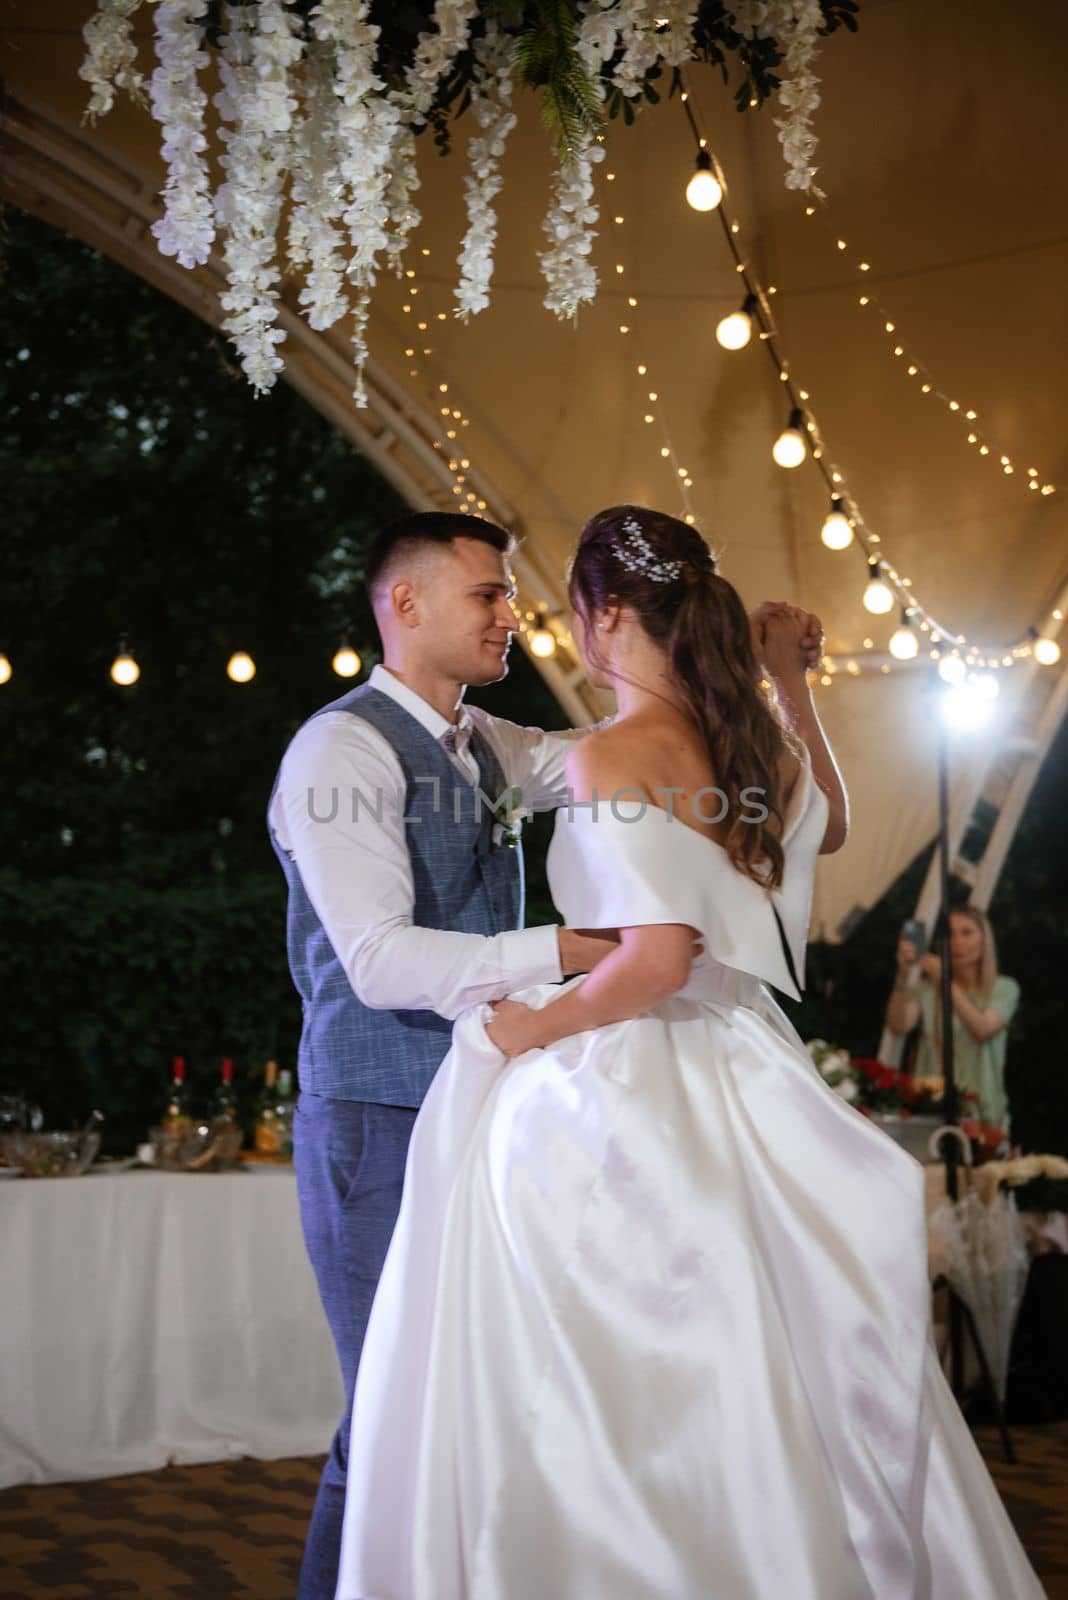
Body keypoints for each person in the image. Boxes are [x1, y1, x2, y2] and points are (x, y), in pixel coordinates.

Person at [335, 505, 1043, 1600]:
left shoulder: (614, 753)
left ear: (608, 613)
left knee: (611, 1373)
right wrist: (788, 687)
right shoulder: (754, 747)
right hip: (748, 1061)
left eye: (570, 611)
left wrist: (532, 1023)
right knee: (770, 1349)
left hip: (630, 1077)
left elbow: (657, 957)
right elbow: (834, 824)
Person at [268, 508, 819, 1596]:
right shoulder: (338, 748)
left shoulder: (489, 745)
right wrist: (569, 947)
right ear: (406, 603)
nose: (512, 616)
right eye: (488, 594)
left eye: (516, 594)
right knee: (387, 1417)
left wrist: (757, 683)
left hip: (491, 1108)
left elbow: (661, 760)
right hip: (381, 1117)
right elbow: (378, 961)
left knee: (479, 1418)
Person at [886, 905, 1020, 1130]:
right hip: (931, 1112)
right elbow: (898, 1025)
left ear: (984, 939)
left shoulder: (1004, 988)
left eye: (967, 933)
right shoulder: (927, 989)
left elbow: (983, 1029)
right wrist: (902, 975)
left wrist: (945, 982)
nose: (957, 942)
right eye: (950, 934)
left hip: (983, 1116)